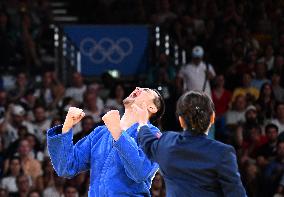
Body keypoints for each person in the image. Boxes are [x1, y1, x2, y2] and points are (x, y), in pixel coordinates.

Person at [47, 87, 165, 196]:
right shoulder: (101, 133)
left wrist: (117, 133)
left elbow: (140, 172)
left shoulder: (153, 135)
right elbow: (66, 167)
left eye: (146, 90)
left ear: (152, 108)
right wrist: (66, 127)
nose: (138, 88)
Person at [125, 91, 246, 196]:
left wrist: (142, 121)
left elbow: (148, 142)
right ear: (212, 118)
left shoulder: (167, 142)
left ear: (181, 120)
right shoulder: (223, 153)